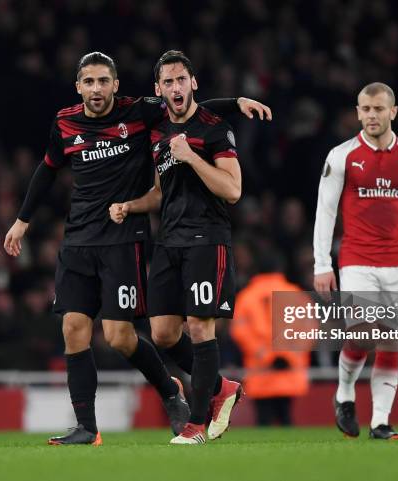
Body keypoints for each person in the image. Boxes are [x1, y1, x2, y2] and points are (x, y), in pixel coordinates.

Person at [3, 51, 271, 445]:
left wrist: (235, 103)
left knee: (119, 337)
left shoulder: (138, 113)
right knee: (73, 327)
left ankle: (172, 390)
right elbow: (47, 167)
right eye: (89, 82)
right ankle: (87, 428)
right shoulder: (64, 122)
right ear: (79, 87)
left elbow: (187, 110)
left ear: (116, 85)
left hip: (125, 239)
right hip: (78, 239)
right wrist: (22, 219)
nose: (97, 89)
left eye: (103, 81)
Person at [111, 50, 266, 444]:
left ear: (193, 83)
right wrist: (131, 205)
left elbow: (233, 190)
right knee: (162, 334)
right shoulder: (159, 131)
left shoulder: (215, 129)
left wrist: (192, 157)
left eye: (182, 79)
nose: (176, 87)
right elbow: (161, 194)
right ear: (158, 89)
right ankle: (220, 389)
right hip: (169, 240)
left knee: (199, 327)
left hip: (206, 238)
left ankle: (196, 424)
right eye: (168, 82)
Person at [312, 82, 398, 440]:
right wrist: (322, 264)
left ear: (393, 112)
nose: (372, 115)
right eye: (365, 109)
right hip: (356, 260)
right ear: (358, 112)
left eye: (378, 109)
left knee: (391, 341)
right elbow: (325, 211)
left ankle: (380, 422)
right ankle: (344, 392)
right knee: (365, 334)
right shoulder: (342, 156)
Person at [230, 249, 311, 426]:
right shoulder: (297, 294)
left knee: (263, 420)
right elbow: (309, 328)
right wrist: (288, 354)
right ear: (281, 268)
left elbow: (240, 330)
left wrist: (265, 354)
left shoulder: (247, 297)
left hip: (260, 369)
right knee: (286, 417)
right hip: (289, 369)